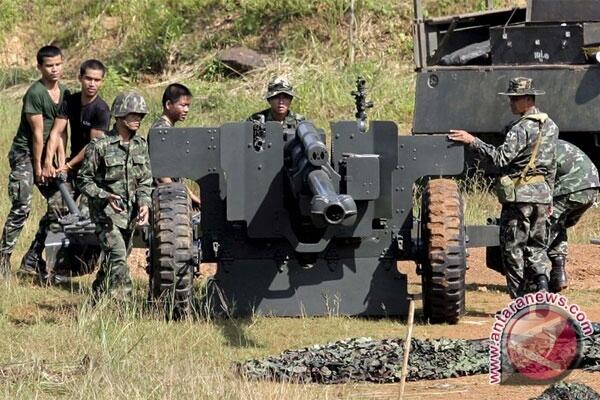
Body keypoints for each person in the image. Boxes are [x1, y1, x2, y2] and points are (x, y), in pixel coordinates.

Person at [449, 77, 558, 298]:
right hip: (542, 196)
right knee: (537, 247)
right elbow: (552, 164)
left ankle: (519, 300)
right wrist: (551, 197)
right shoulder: (551, 126)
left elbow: (500, 158)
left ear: (528, 99)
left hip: (520, 197)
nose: (511, 102)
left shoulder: (521, 128)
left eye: (515, 98)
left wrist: (473, 141)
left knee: (513, 249)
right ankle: (543, 289)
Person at [0, 45, 70, 279]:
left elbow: (59, 133)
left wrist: (59, 164)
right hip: (25, 155)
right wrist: (41, 168)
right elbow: (38, 135)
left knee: (61, 204)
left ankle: (32, 258)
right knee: (22, 207)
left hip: (47, 156)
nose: (54, 69)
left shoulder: (65, 93)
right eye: (49, 66)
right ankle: (3, 258)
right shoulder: (35, 93)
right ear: (39, 67)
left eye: (58, 64)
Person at [77, 91, 153, 300]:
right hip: (104, 214)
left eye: (140, 115)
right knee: (118, 257)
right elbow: (83, 180)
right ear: (119, 116)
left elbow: (145, 180)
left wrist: (144, 204)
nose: (137, 119)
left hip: (128, 216)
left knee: (114, 260)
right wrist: (105, 196)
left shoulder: (140, 146)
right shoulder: (99, 146)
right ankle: (124, 308)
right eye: (133, 115)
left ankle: (96, 301)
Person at [42, 59, 110, 178]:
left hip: (94, 166)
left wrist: (68, 166)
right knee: (58, 195)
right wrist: (49, 162)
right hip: (72, 161)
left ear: (102, 82)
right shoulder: (70, 101)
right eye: (88, 78)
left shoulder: (101, 109)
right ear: (80, 78)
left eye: (97, 80)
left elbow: (93, 146)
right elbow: (56, 132)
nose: (92, 84)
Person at [547, 140, 599, 292]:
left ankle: (538, 281)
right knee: (557, 225)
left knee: (542, 229)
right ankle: (558, 275)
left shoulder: (540, 147)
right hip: (591, 188)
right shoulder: (550, 141)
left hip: (572, 187)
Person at [150, 83, 200, 207]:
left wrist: (190, 195)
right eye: (182, 105)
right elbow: (161, 173)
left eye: (188, 106)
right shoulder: (161, 130)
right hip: (167, 198)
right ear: (168, 105)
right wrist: (179, 194)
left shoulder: (168, 129)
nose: (186, 110)